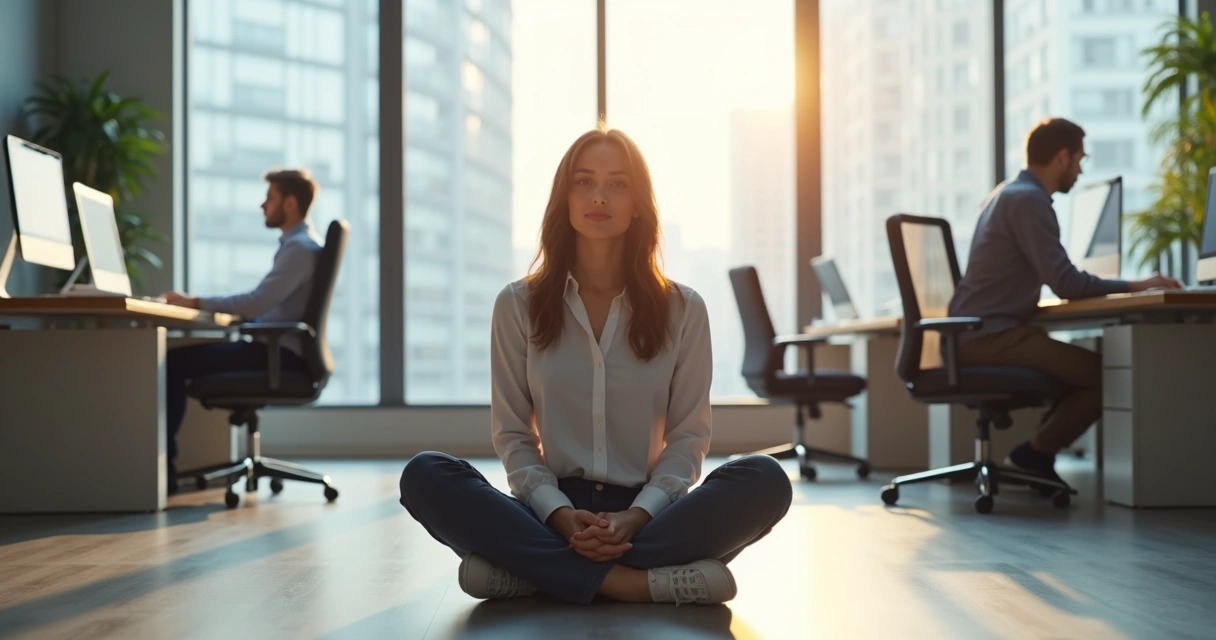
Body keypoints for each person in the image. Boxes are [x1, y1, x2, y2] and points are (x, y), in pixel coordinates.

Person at [398, 126, 793, 606]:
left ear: (638, 204)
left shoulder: (684, 309)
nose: (599, 196)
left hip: (648, 513)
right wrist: (560, 514)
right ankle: (631, 583)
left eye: (618, 184)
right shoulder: (517, 304)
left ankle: (535, 573)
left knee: (766, 478)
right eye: (584, 182)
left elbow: (688, 438)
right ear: (564, 199)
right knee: (426, 475)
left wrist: (638, 516)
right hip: (549, 511)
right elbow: (514, 437)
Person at [948, 117, 1182, 483]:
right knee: (1107, 376)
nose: (1080, 169)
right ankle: (1035, 454)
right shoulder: (1029, 201)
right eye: (1079, 159)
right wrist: (1138, 285)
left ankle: (1037, 454)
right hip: (992, 336)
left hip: (979, 332)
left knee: (1086, 370)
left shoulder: (1004, 194)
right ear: (1061, 157)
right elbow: (1066, 283)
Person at [160, 169, 324, 492]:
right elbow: (263, 306)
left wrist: (192, 302)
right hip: (277, 350)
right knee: (183, 359)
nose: (263, 206)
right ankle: (164, 466)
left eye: (270, 198)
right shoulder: (302, 246)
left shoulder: (300, 249)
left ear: (290, 204)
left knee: (174, 364)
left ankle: (163, 471)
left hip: (278, 356)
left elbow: (255, 302)